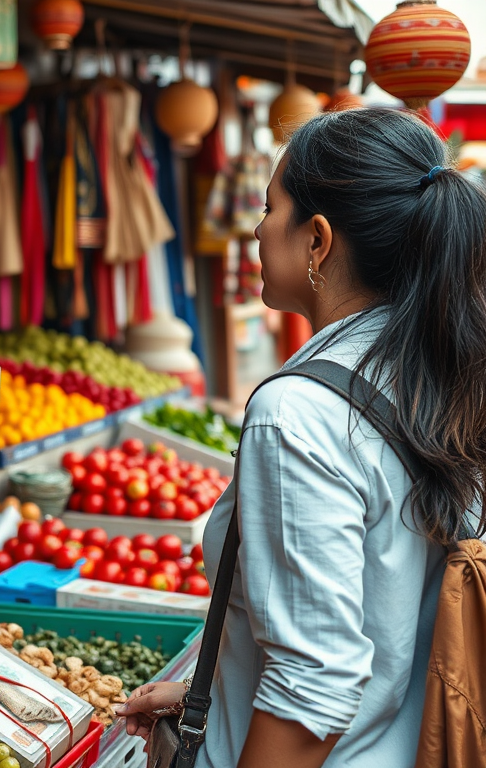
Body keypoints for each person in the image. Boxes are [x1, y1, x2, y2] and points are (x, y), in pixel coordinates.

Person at [117, 107, 486, 767]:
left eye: (269, 207)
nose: (258, 228)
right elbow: (390, 611)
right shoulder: (445, 374)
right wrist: (210, 693)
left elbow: (315, 687)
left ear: (317, 240)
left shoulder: (300, 414)